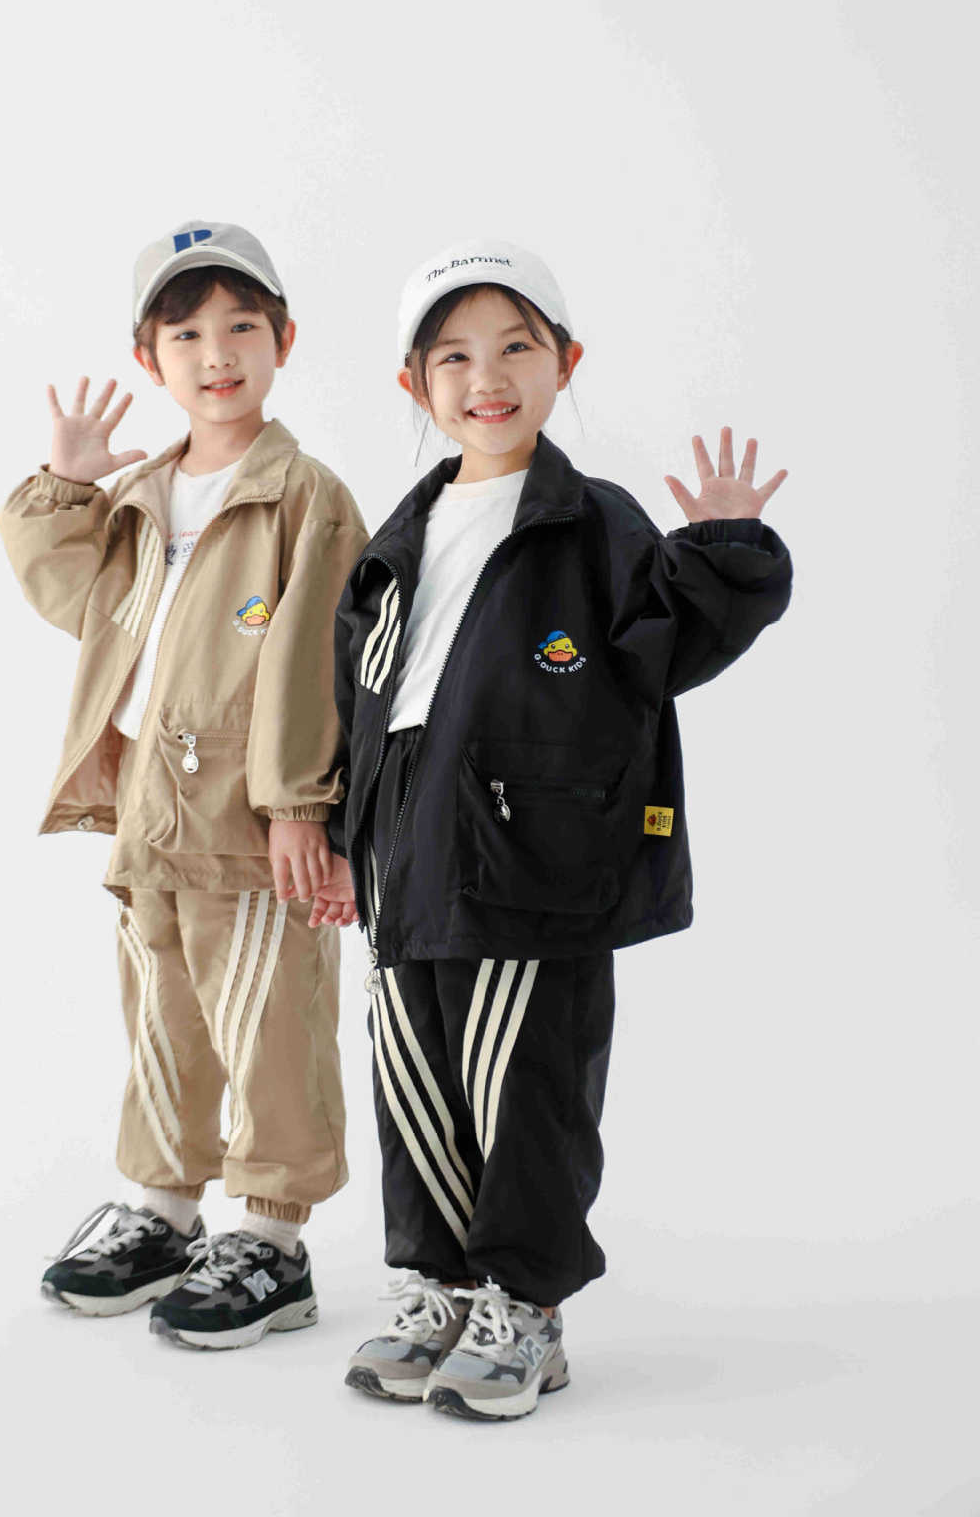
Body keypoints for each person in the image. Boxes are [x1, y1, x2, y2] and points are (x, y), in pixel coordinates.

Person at [331, 242, 792, 1420]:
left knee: (524, 1086)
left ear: (564, 363)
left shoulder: (591, 521)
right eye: (452, 358)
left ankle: (523, 1307)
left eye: (514, 349)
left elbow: (668, 644)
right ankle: (439, 1287)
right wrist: (343, 834)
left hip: (532, 859)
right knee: (416, 1082)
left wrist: (724, 551)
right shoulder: (399, 535)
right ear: (413, 385)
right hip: (402, 851)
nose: (485, 378)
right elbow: (361, 695)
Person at [0, 221, 366, 1350]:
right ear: (148, 358)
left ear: (283, 341)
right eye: (187, 334)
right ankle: (162, 1210)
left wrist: (301, 805)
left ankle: (271, 1239)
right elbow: (73, 597)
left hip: (250, 820)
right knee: (161, 1013)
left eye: (242, 327)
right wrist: (66, 482)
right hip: (149, 810)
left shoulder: (303, 496)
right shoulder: (141, 497)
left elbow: (320, 660)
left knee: (267, 1020)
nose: (218, 354)